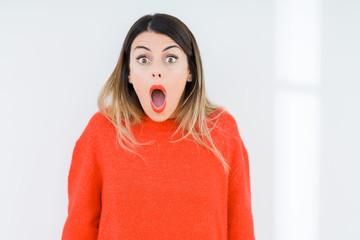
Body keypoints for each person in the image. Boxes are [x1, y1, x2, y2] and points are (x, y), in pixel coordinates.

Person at [61, 13, 255, 240]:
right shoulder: (102, 130)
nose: (156, 70)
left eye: (170, 58)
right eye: (143, 59)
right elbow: (79, 228)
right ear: (129, 73)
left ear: (190, 71)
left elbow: (241, 228)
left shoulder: (222, 130)